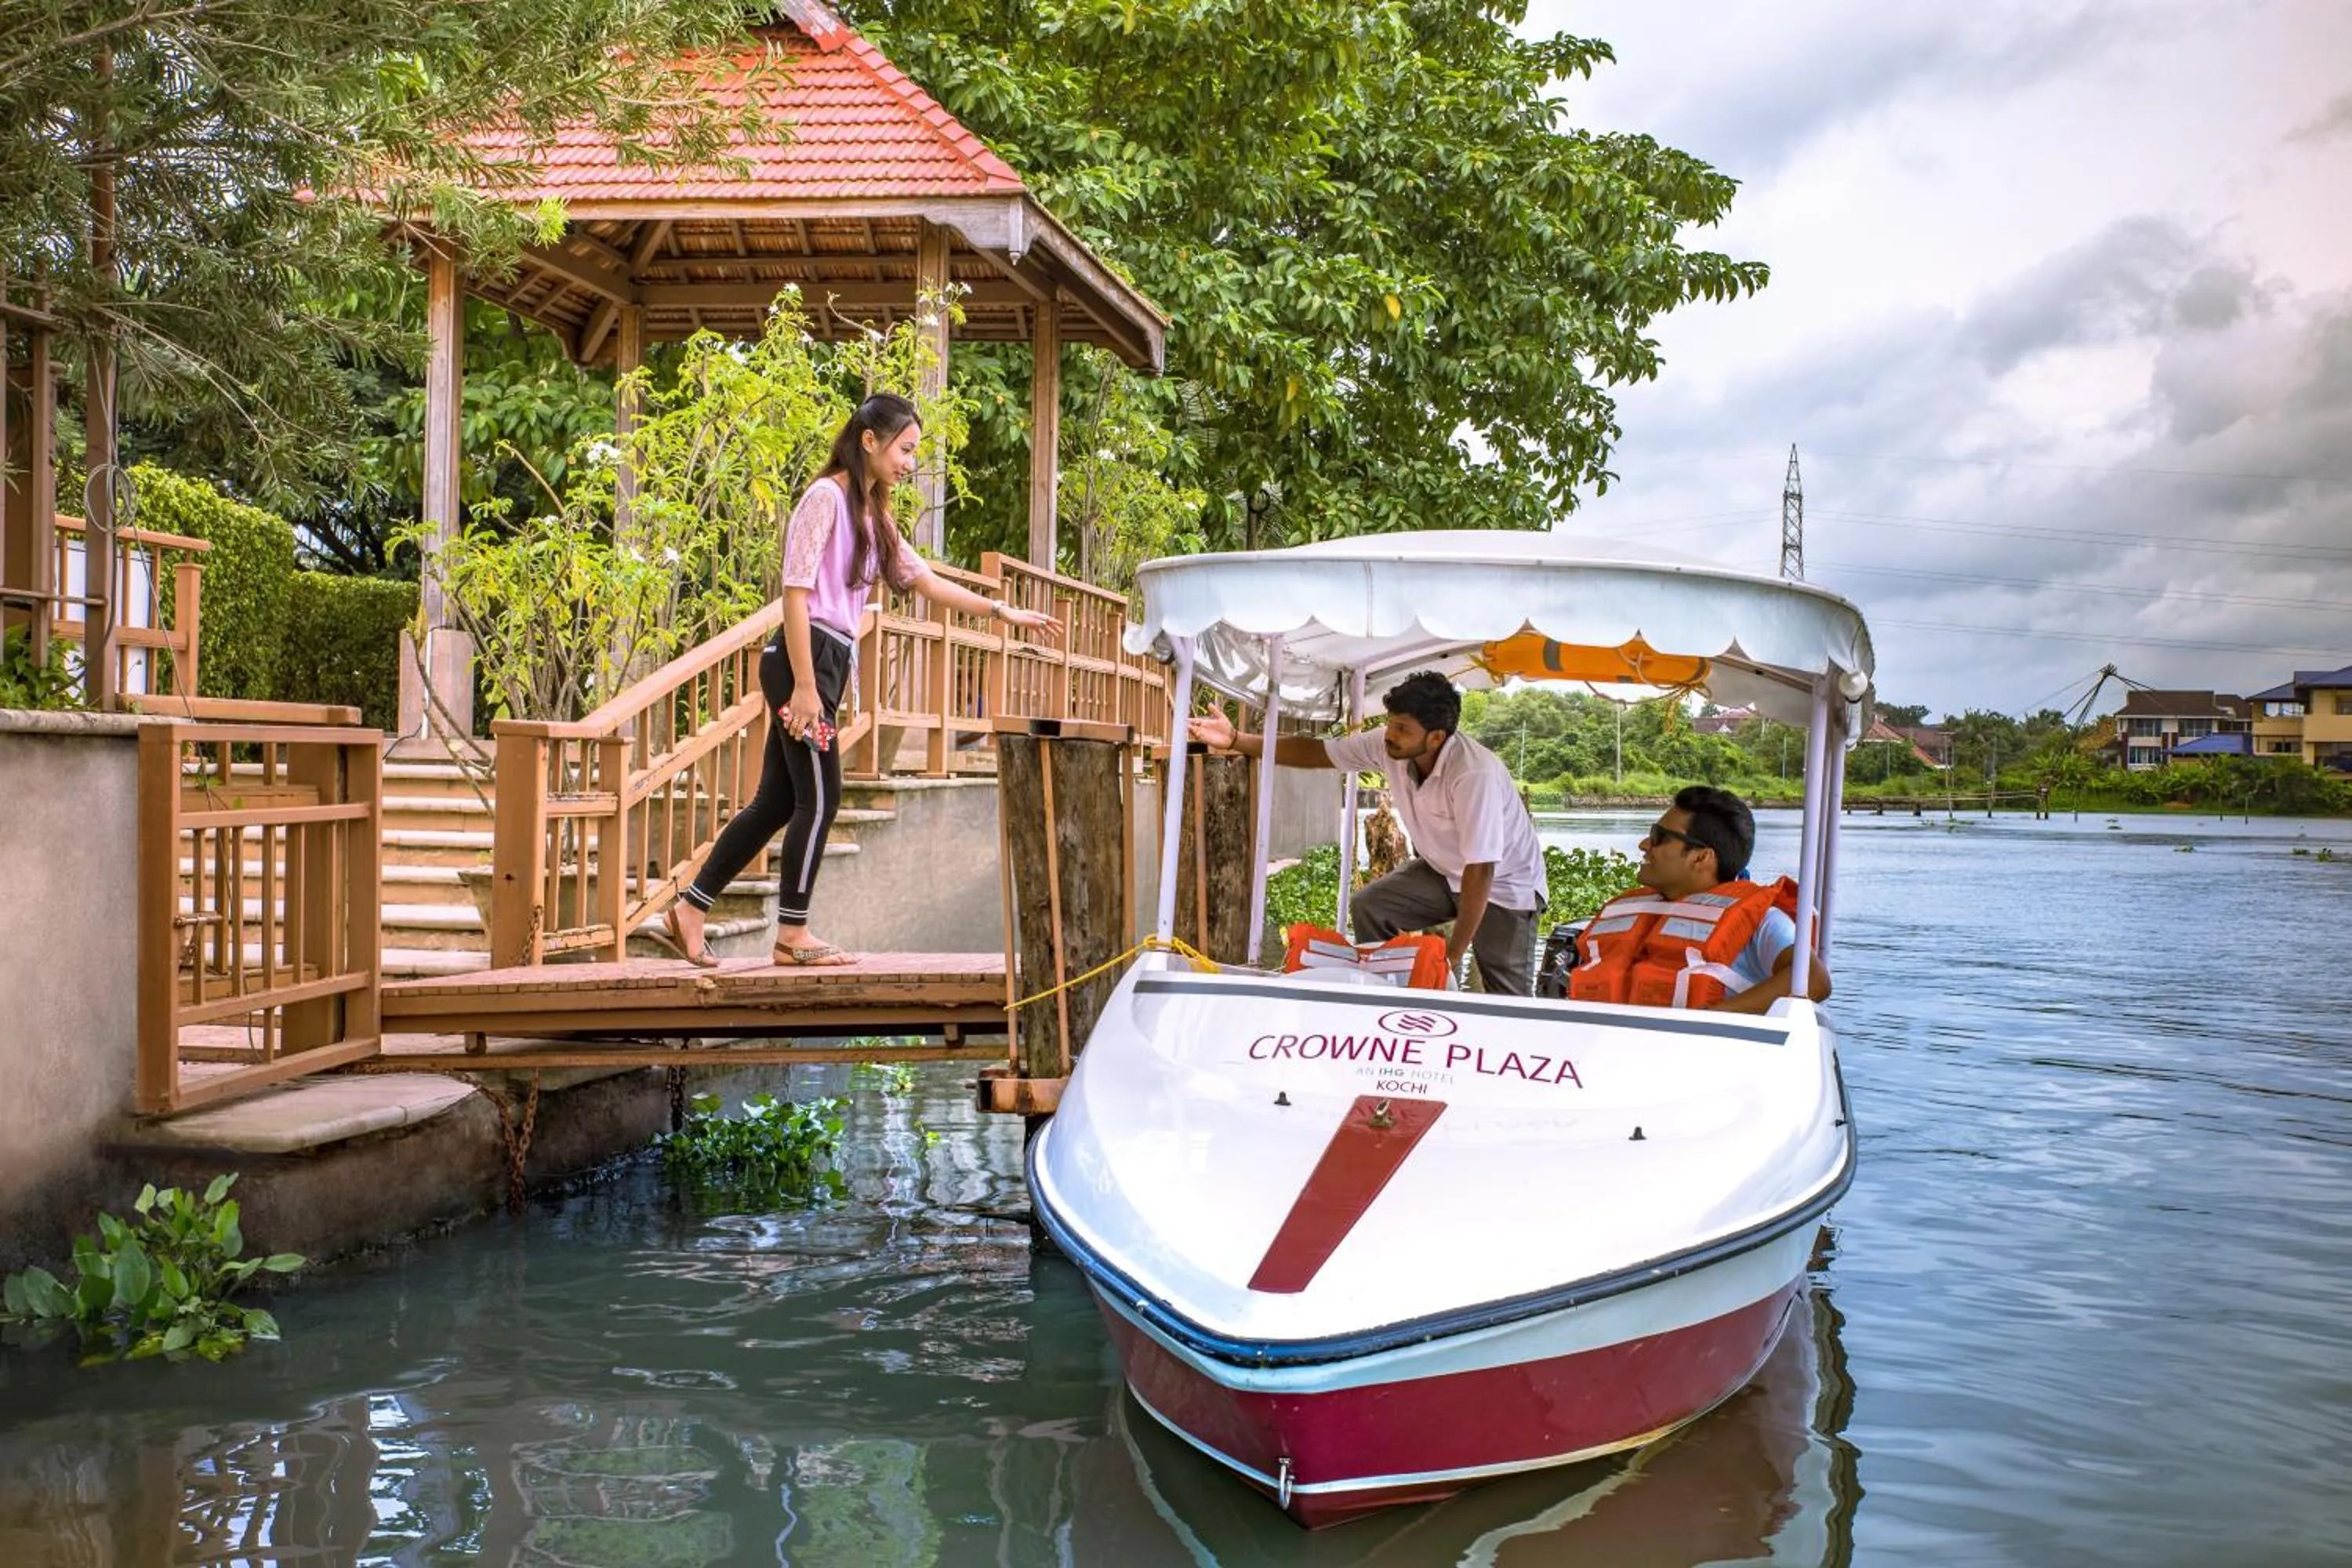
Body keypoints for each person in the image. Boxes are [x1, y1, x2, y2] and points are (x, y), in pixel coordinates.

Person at [660, 393, 1063, 967]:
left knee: (777, 801)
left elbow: (923, 581)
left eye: (914, 452)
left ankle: (693, 907)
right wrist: (804, 686)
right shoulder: (825, 498)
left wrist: (1002, 613)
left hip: (825, 661)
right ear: (869, 441)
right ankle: (792, 935)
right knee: (820, 800)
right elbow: (795, 594)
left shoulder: (873, 515)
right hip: (803, 660)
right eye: (905, 449)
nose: (909, 462)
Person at [1189, 670, 1548, 995]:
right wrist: (1236, 739)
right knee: (1371, 907)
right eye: (1391, 723)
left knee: (1507, 992)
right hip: (1444, 871)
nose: (1390, 735)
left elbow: (1481, 870)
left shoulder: (1473, 774)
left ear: (1437, 737)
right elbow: (1318, 753)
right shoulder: (1387, 745)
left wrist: (1450, 958)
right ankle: (1385, 998)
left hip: (1504, 885)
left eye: (1403, 729)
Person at [1570, 785, 1831, 1014]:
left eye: (1658, 838)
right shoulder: (1630, 910)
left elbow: (1814, 979)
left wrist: (1716, 1017)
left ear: (1701, 858)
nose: (1644, 845)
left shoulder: (1763, 922)